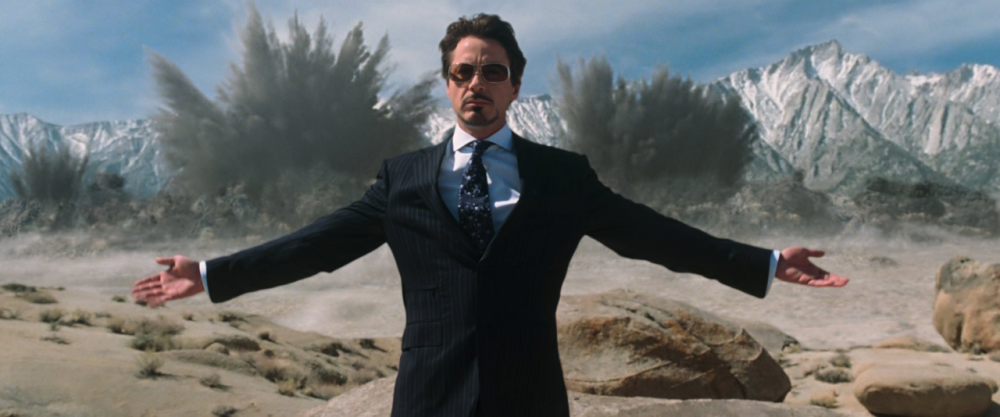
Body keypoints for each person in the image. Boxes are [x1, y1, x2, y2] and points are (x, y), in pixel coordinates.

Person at [132, 13, 848, 417]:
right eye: (464, 72)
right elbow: (316, 245)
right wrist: (211, 274)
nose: (477, 83)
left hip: (529, 395)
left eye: (493, 72)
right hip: (429, 394)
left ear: (515, 86)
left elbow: (652, 235)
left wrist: (762, 263)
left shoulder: (561, 176)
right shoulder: (403, 178)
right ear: (448, 85)